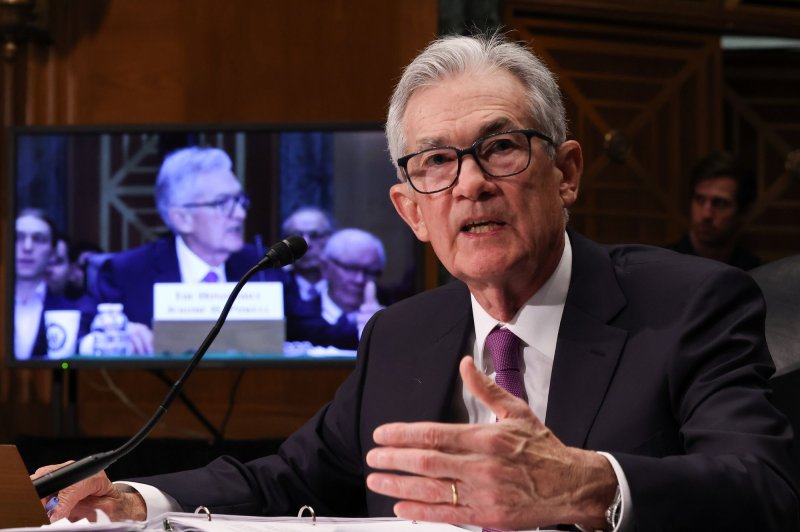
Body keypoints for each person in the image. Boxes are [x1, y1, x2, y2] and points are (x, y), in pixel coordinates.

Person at [37, 33, 798, 530]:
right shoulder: (400, 336)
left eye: (500, 147)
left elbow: (764, 487)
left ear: (565, 173)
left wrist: (590, 484)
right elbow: (291, 476)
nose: (469, 184)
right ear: (410, 209)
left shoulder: (689, 304)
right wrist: (139, 501)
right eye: (436, 161)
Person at [88, 146, 282, 354]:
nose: (240, 214)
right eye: (223, 203)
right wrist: (118, 334)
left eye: (239, 200)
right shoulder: (127, 272)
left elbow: (308, 336)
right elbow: (80, 334)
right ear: (181, 219)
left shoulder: (264, 265)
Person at [285, 228, 385, 349]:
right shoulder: (296, 317)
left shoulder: (389, 319)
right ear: (325, 267)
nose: (359, 279)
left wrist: (383, 329)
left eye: (370, 271)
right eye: (350, 268)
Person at [669, 151, 761, 269]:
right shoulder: (665, 265)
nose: (706, 214)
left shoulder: (755, 272)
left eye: (720, 203)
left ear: (744, 212)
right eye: (699, 200)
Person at [15, 209, 82, 359]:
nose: (27, 247)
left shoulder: (70, 311)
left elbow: (66, 365)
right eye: (17, 237)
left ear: (52, 251)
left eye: (38, 239)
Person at [281, 206, 335, 302]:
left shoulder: (347, 287)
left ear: (330, 239)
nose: (306, 243)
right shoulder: (277, 286)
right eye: (297, 236)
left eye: (315, 235)